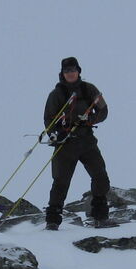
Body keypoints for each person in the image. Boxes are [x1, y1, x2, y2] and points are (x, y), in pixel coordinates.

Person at [42, 56, 111, 230]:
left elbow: (103, 109)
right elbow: (49, 119)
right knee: (60, 182)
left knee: (100, 176)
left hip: (87, 141)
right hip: (65, 144)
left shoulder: (89, 89)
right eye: (67, 71)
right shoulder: (56, 94)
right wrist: (57, 133)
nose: (70, 73)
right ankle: (52, 221)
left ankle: (100, 217)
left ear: (78, 71)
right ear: (62, 73)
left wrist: (90, 120)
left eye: (73, 70)